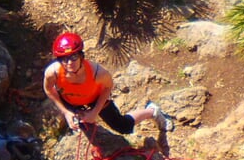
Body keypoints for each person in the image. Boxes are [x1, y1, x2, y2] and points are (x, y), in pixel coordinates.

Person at [42, 31, 174, 138]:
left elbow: (108, 87)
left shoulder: (97, 73)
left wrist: (95, 112)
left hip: (94, 98)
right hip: (70, 100)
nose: (70, 63)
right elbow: (49, 90)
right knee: (81, 126)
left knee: (123, 126)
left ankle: (152, 111)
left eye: (74, 57)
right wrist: (66, 112)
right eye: (64, 59)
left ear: (81, 56)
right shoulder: (52, 73)